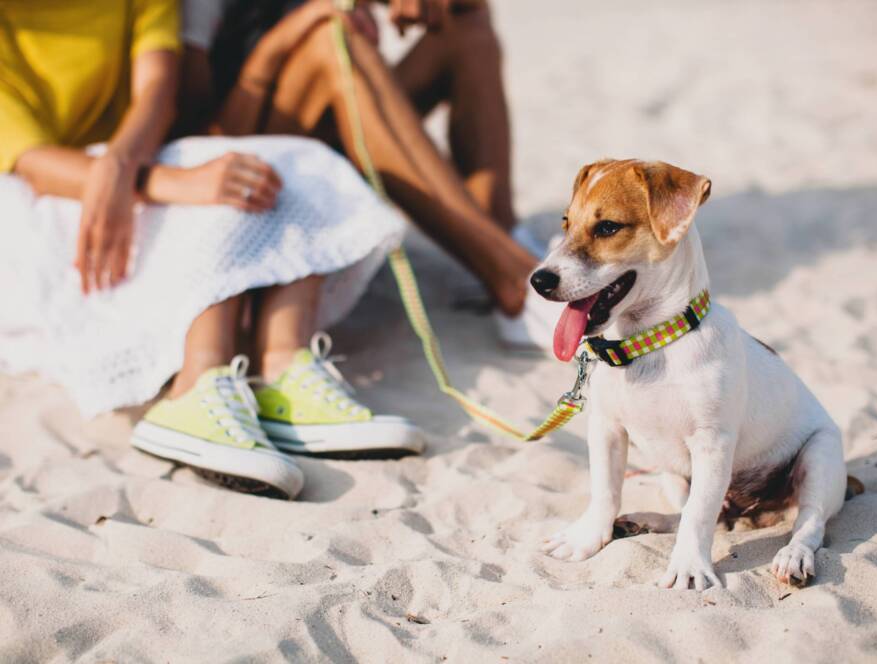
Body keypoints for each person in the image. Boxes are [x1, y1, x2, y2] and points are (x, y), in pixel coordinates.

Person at [0, 0, 425, 501]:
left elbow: (157, 90)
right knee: (213, 192)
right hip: (34, 195)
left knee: (286, 163)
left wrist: (123, 164)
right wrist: (167, 181)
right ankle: (194, 387)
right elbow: (30, 162)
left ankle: (282, 369)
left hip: (128, 161)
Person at [177, 0, 560, 347]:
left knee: (466, 23)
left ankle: (497, 240)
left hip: (342, 120)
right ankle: (513, 281)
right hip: (250, 157)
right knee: (330, 37)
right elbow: (206, 143)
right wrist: (281, 41)